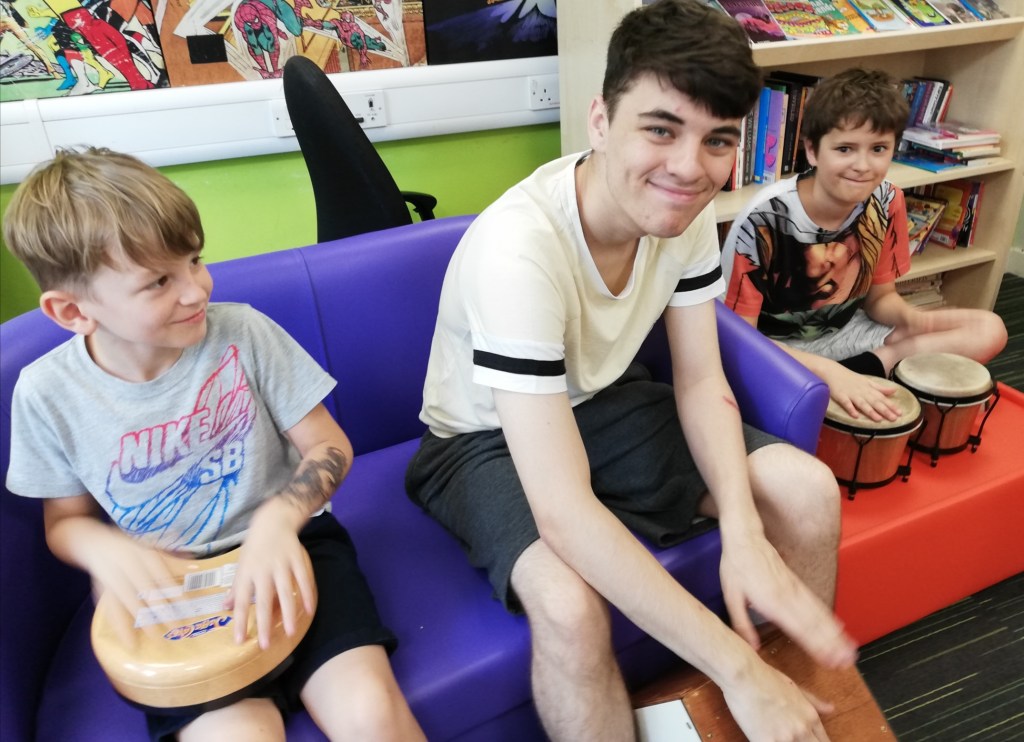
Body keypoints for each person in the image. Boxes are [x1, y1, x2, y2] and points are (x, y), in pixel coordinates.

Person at [405, 1, 858, 739]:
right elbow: (563, 509)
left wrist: (744, 529)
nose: (689, 167)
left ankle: (801, 713)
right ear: (600, 121)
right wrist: (736, 668)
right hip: (479, 439)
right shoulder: (517, 251)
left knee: (806, 493)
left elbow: (700, 381)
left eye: (717, 140)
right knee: (568, 606)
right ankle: (756, 687)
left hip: (602, 403)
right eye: (660, 129)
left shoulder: (683, 212)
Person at [3, 147, 425, 742]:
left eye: (195, 260)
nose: (196, 289)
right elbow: (64, 523)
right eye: (159, 281)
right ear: (72, 310)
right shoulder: (45, 394)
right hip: (174, 593)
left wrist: (279, 520)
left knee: (371, 716)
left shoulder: (243, 332)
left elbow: (329, 447)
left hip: (292, 546)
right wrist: (102, 550)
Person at [722, 68, 1007, 422]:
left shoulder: (888, 201)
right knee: (748, 381)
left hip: (847, 335)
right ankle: (845, 381)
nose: (862, 165)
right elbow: (739, 339)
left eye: (878, 149)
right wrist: (828, 372)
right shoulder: (764, 218)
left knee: (990, 329)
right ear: (812, 150)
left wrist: (910, 318)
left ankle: (871, 369)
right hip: (776, 352)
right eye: (845, 149)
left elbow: (880, 300)